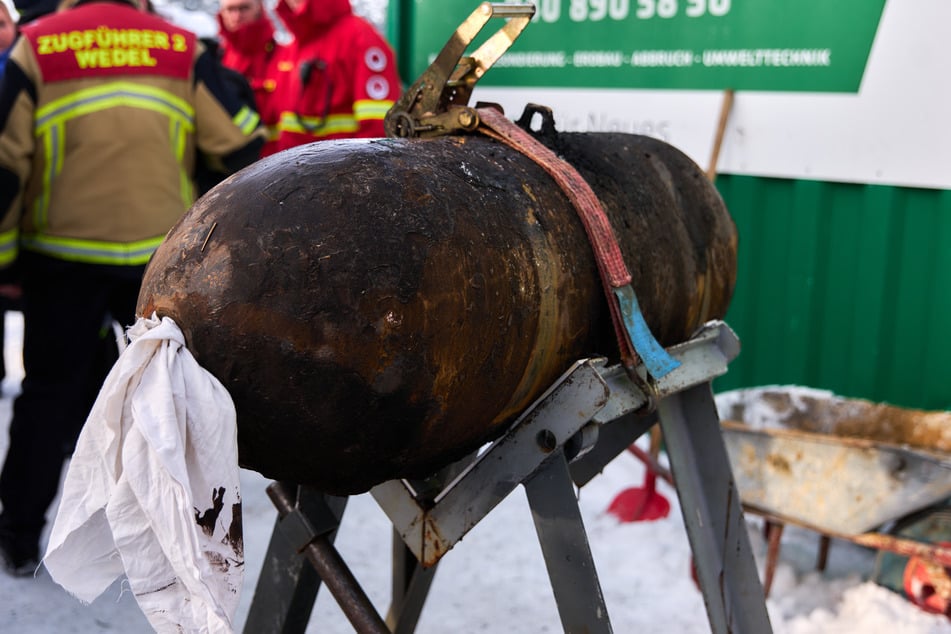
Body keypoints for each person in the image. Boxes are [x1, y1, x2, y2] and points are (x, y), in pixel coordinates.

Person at [0, 0, 266, 576]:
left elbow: (4, 165)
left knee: (47, 395)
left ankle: (20, 538)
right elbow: (241, 142)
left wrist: (5, 261)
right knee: (176, 398)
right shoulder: (179, 49)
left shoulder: (38, 47)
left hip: (61, 254)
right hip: (158, 259)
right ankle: (195, 540)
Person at [270, 0, 401, 153]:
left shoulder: (361, 39)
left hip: (341, 170)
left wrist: (363, 173)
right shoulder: (293, 48)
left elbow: (379, 128)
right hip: (291, 170)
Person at [217, 0, 282, 155]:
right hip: (230, 164)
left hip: (278, 162)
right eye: (230, 9)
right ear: (221, 13)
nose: (237, 16)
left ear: (259, 8)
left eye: (244, 8)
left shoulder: (284, 58)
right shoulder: (215, 61)